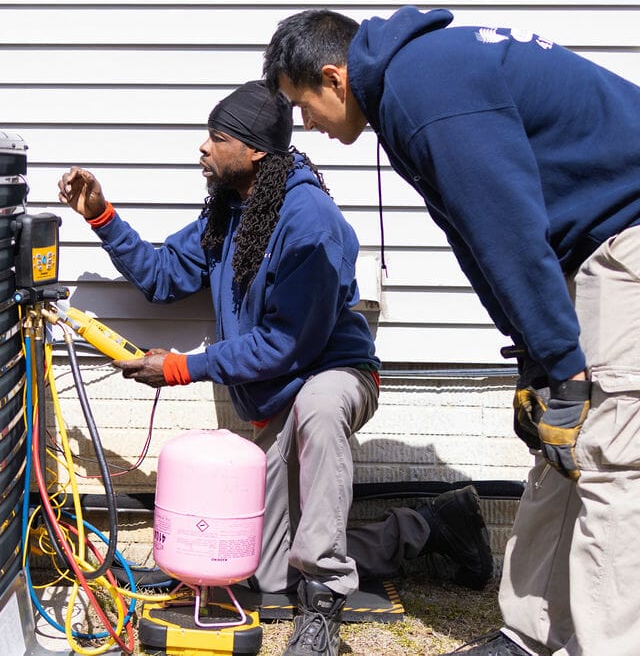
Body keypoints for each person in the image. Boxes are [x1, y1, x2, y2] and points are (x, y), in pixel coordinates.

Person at [57, 80, 492, 656]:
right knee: (264, 566)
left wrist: (184, 367)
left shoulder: (310, 224)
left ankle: (324, 604)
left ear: (255, 149)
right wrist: (102, 216)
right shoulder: (232, 209)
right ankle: (432, 528)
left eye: (216, 137)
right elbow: (164, 276)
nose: (202, 149)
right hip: (284, 387)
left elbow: (286, 345)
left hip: (337, 372)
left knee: (317, 406)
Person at [263, 7, 640, 656]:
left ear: (334, 78)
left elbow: (511, 229)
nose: (308, 126)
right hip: (591, 241)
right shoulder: (405, 88)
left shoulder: (424, 86)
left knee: (608, 452)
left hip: (628, 229)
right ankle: (528, 635)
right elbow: (474, 238)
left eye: (303, 106)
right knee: (564, 447)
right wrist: (537, 361)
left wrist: (568, 372)